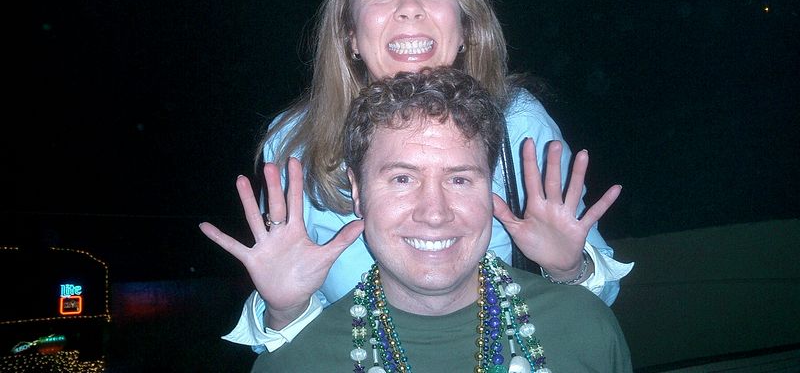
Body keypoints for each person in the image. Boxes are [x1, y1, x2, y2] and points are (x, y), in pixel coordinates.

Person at [210, 0, 632, 351]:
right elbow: (287, 348)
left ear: (465, 26)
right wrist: (285, 308)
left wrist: (569, 269)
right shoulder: (297, 142)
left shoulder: (519, 124)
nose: (409, 7)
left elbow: (597, 301)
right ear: (350, 33)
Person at [201, 67, 633, 371]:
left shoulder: (587, 328)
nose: (434, 212)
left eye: (460, 179)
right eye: (402, 179)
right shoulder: (295, 363)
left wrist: (572, 269)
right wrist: (283, 310)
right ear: (357, 193)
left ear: (491, 189)